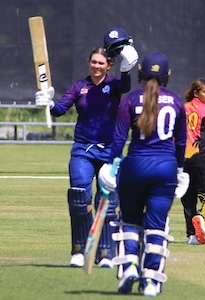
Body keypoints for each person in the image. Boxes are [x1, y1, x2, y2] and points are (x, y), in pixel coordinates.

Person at [34, 28, 139, 268]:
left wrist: (127, 65)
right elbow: (60, 109)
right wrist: (47, 102)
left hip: (109, 151)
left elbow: (125, 85)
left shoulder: (114, 85)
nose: (96, 66)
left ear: (108, 65)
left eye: (101, 63)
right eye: (93, 62)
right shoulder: (78, 86)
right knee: (79, 198)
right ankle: (79, 250)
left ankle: (106, 253)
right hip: (83, 149)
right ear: (89, 63)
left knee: (108, 202)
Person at [98, 51, 188, 297]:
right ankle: (150, 281)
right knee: (156, 226)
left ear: (140, 73)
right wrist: (180, 170)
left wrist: (109, 164)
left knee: (130, 221)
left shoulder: (130, 100)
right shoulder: (176, 102)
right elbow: (181, 142)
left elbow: (118, 139)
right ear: (167, 76)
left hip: (135, 166)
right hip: (165, 168)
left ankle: (129, 267)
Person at [181, 78, 205, 245]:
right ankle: (201, 219)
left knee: (188, 196)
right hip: (202, 158)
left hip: (183, 158)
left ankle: (192, 234)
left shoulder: (182, 108)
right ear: (196, 93)